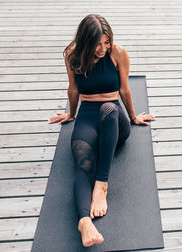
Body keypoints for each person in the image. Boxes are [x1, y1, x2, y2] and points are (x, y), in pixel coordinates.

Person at [49, 14, 155, 247]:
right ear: (86, 42)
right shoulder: (73, 55)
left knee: (109, 108)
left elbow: (125, 89)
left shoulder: (118, 53)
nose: (103, 49)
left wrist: (134, 116)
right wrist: (72, 114)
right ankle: (84, 221)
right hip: (87, 116)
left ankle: (102, 184)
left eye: (106, 43)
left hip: (115, 120)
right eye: (97, 44)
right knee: (82, 164)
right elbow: (73, 89)